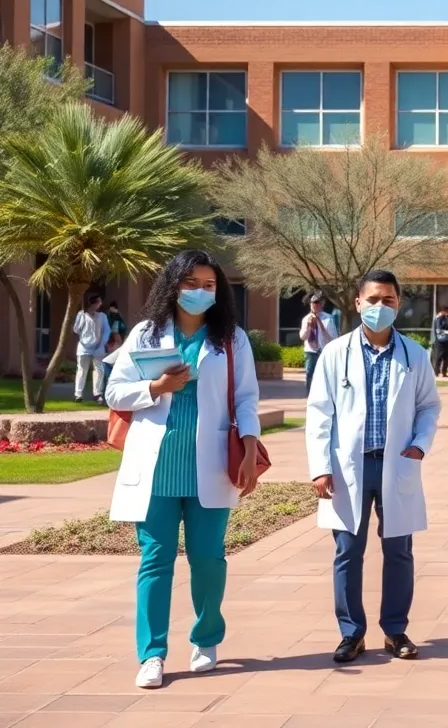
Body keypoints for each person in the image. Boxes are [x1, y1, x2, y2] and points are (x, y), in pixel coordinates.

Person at [105, 250, 263, 689]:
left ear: (219, 291)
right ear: (173, 286)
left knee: (208, 559)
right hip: (156, 468)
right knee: (155, 561)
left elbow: (246, 398)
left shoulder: (231, 338)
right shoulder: (145, 334)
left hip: (209, 466)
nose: (198, 292)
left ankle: (206, 638)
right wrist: (156, 387)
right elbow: (114, 391)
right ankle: (152, 655)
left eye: (208, 285)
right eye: (190, 283)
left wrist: (249, 450)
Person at [306, 269, 441, 664]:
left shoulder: (414, 354)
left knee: (399, 549)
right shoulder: (335, 353)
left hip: (396, 461)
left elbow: (429, 406)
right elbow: (318, 413)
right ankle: (351, 634)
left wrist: (419, 445)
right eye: (374, 300)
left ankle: (395, 630)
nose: (381, 307)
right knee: (348, 550)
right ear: (358, 303)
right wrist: (319, 466)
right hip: (351, 465)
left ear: (398, 304)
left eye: (390, 300)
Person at [73, 292, 110, 403]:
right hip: (84, 347)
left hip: (98, 347)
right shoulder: (82, 314)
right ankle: (78, 394)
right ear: (94, 303)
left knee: (99, 370)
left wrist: (101, 344)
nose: (100, 304)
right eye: (98, 302)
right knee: (82, 370)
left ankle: (97, 393)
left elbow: (106, 331)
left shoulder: (102, 316)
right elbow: (76, 329)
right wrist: (82, 319)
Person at [299, 292, 338, 393]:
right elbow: (303, 337)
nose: (314, 305)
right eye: (312, 303)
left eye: (317, 303)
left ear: (322, 304)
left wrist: (319, 323)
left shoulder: (328, 319)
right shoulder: (305, 319)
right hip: (310, 350)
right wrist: (308, 326)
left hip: (323, 350)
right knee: (309, 373)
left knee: (324, 374)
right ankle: (309, 396)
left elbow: (332, 338)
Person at [431, 304, 448, 378]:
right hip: (440, 341)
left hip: (447, 340)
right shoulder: (438, 318)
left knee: (446, 357)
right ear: (442, 311)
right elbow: (439, 330)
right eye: (447, 311)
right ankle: (436, 371)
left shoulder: (446, 318)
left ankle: (444, 372)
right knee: (439, 356)